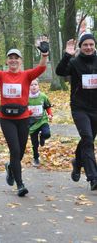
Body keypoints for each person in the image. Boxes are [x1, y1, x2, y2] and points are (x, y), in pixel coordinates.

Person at [0, 37, 49, 197]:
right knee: (14, 150)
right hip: (6, 119)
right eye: (10, 58)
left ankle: (11, 167)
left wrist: (44, 53)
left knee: (20, 152)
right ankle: (20, 184)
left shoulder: (26, 75)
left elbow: (41, 68)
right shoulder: (1, 75)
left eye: (16, 58)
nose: (13, 60)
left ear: (20, 61)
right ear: (7, 61)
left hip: (23, 118)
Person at [55, 33, 97, 191]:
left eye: (91, 45)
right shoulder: (74, 62)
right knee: (87, 138)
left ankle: (77, 162)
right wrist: (67, 55)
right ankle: (93, 177)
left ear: (94, 46)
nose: (88, 47)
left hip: (96, 108)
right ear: (81, 47)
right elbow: (60, 71)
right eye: (85, 45)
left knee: (88, 140)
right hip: (80, 108)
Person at [28, 79, 53, 167]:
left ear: (38, 86)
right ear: (28, 87)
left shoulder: (43, 96)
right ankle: (36, 158)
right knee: (35, 144)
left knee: (47, 134)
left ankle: (42, 137)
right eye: (31, 85)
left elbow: (48, 107)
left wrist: (50, 115)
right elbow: (23, 110)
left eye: (35, 84)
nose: (34, 86)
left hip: (42, 120)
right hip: (31, 123)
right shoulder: (26, 98)